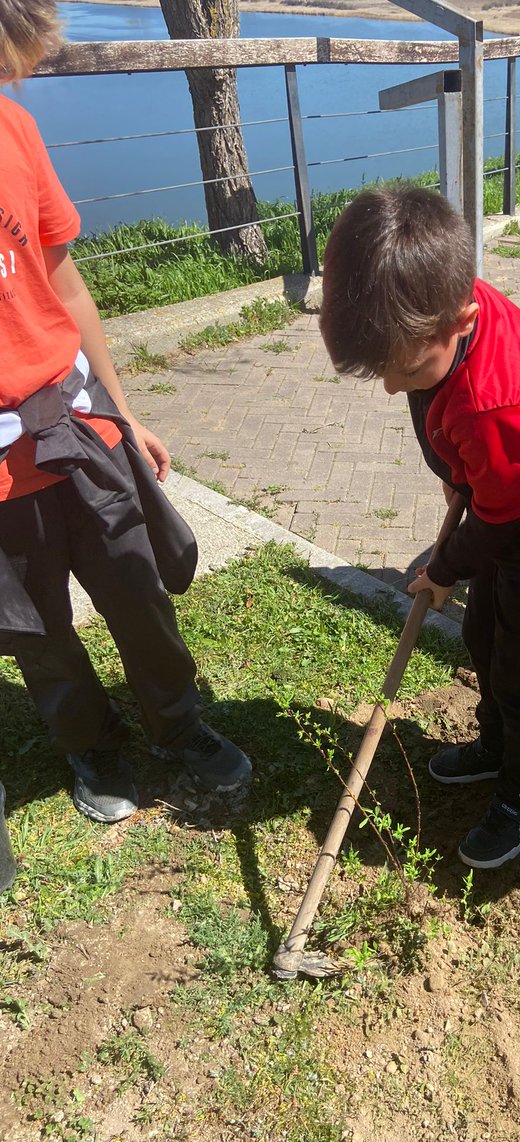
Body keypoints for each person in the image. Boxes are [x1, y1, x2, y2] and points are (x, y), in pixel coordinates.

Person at [0, 0, 251, 826]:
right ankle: (90, 744)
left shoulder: (15, 130)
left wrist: (121, 409)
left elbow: (65, 282)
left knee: (138, 588)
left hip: (77, 423)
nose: (16, 78)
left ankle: (177, 726)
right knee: (38, 629)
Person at [319, 186, 520, 869]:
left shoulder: (491, 403)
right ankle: (493, 748)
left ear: (461, 315)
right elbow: (484, 493)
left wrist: (444, 567)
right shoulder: (434, 302)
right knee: (485, 640)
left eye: (406, 371)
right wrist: (460, 480)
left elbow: (501, 515)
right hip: (505, 515)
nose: (395, 389)